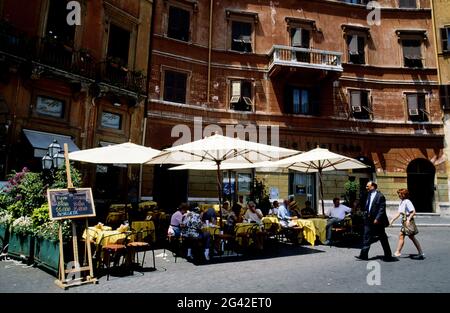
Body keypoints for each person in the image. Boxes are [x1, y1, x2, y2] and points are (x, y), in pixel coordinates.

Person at [356, 181, 394, 261]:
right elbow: (366, 205)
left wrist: (377, 218)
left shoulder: (380, 196)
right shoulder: (368, 195)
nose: (366, 188)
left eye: (367, 186)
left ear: (373, 187)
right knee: (366, 236)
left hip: (377, 220)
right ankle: (363, 255)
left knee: (382, 237)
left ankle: (388, 255)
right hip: (368, 219)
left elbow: (381, 209)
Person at [390, 188, 424, 259]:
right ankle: (398, 252)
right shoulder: (401, 202)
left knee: (410, 237)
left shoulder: (407, 201)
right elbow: (399, 213)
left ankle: (420, 252)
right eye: (398, 194)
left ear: (404, 194)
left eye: (400, 194)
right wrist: (393, 219)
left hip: (408, 221)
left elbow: (413, 211)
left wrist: (408, 220)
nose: (399, 195)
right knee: (402, 236)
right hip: (404, 221)